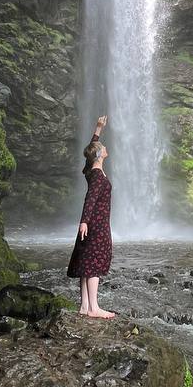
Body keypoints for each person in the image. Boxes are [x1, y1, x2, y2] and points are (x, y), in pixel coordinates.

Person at [67, 114, 115, 318]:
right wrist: (85, 221)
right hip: (97, 225)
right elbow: (90, 199)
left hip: (92, 224)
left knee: (87, 263)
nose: (104, 148)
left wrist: (98, 129)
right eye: (102, 148)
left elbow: (90, 151)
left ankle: (84, 307)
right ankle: (94, 308)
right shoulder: (96, 177)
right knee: (94, 264)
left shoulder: (90, 170)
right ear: (100, 155)